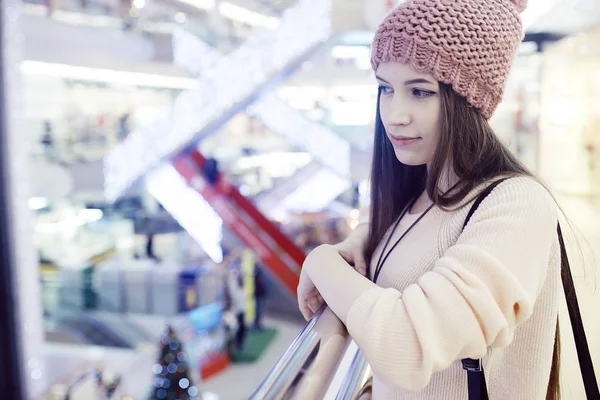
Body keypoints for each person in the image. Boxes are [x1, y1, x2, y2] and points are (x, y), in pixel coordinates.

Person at [297, 1, 564, 399]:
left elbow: (408, 346)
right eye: (385, 89)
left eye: (420, 91)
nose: (394, 115)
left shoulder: (517, 204)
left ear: (470, 100)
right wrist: (362, 242)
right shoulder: (420, 189)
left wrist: (320, 261)